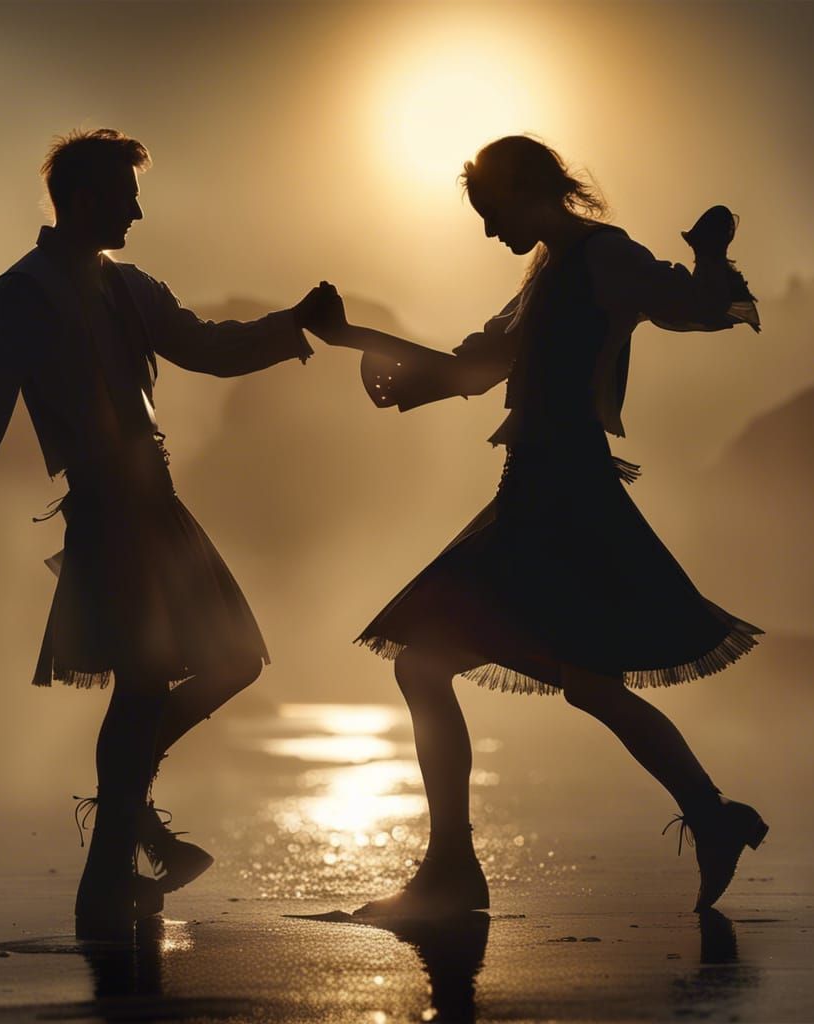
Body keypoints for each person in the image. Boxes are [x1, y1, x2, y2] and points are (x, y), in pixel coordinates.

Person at [0, 128, 337, 938]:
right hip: (106, 510)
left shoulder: (125, 285)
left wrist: (290, 323)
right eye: (127, 197)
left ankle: (129, 823)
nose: (138, 213)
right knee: (144, 687)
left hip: (158, 503)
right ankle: (110, 873)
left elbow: (204, 345)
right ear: (86, 200)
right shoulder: (22, 295)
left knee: (225, 663)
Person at [308, 135, 766, 916]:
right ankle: (710, 816)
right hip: (538, 488)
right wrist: (355, 339)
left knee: (434, 665)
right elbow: (477, 366)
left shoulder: (604, 256)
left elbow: (700, 308)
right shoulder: (549, 272)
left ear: (531, 190)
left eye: (493, 212)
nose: (491, 231)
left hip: (564, 494)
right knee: (573, 683)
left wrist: (711, 254)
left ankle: (455, 869)